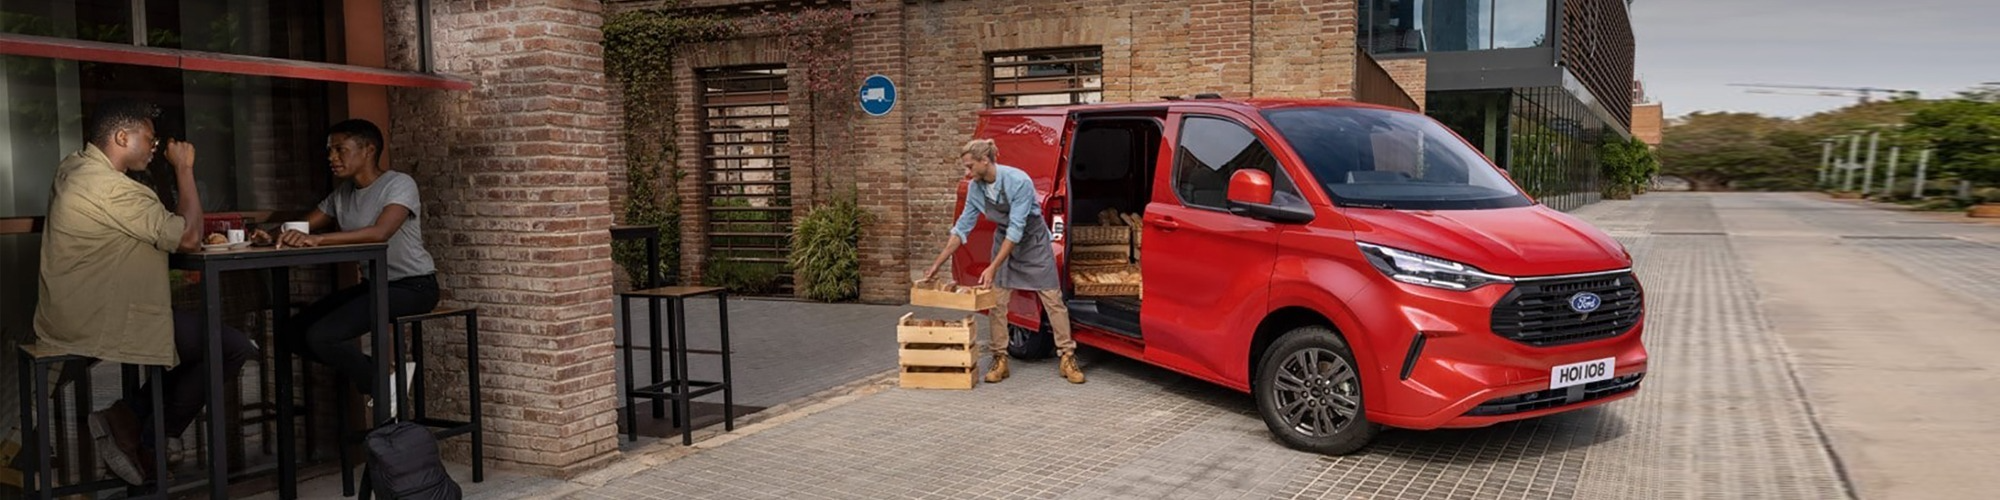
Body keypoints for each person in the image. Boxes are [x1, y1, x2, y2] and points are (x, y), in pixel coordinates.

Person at [37, 98, 258, 485]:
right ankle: (143, 435)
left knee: (204, 341)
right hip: (101, 318)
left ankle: (130, 420)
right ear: (122, 137)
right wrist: (185, 169)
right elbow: (189, 237)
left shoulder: (74, 166)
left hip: (72, 309)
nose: (156, 147)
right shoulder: (111, 188)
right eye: (150, 139)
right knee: (231, 346)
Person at [277, 119, 439, 413]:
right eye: (330, 151)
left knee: (321, 336)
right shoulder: (343, 194)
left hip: (413, 286)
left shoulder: (398, 184)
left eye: (340, 149)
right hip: (372, 286)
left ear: (368, 150)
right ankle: (382, 377)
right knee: (292, 333)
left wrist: (319, 240)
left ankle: (378, 383)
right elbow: (304, 226)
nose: (331, 157)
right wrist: (277, 232)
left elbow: (380, 233)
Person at [924, 138, 1085, 384]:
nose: (966, 172)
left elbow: (1017, 229)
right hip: (1004, 240)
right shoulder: (975, 188)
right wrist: (938, 263)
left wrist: (992, 266)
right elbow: (962, 228)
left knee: (1052, 299)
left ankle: (1067, 356)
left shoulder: (1018, 181)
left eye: (969, 167)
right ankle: (1000, 358)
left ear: (985, 161)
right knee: (997, 302)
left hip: (1032, 241)